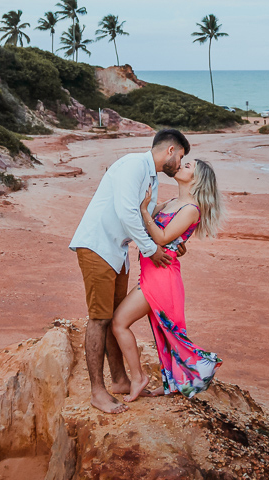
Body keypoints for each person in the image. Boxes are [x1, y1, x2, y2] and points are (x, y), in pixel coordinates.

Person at [69, 128, 191, 413]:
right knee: (99, 319)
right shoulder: (134, 165)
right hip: (98, 246)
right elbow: (127, 213)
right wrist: (151, 250)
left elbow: (149, 215)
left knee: (112, 317)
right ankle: (97, 392)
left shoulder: (150, 177)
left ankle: (121, 380)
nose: (180, 163)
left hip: (117, 252)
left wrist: (173, 241)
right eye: (181, 156)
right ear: (170, 150)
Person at [111, 156, 224, 401]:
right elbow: (147, 225)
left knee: (120, 323)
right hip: (152, 273)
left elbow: (160, 238)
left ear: (197, 179)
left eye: (188, 165)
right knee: (164, 332)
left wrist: (144, 210)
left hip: (163, 278)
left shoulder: (191, 210)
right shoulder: (173, 202)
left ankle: (139, 378)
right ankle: (172, 383)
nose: (182, 164)